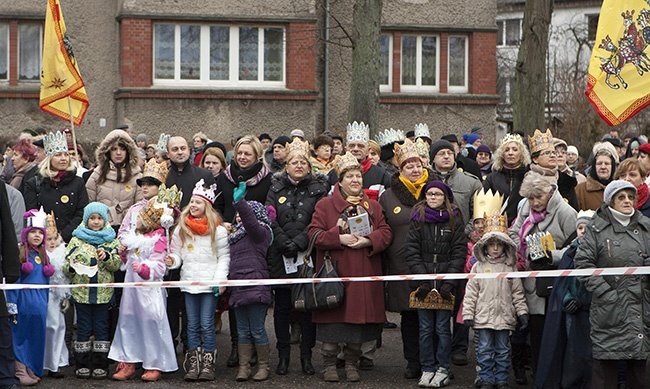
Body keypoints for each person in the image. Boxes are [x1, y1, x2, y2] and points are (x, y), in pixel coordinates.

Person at [308, 152, 392, 383]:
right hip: (336, 272)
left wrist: (369, 240)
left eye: (358, 176)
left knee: (358, 323)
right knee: (332, 322)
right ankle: (328, 365)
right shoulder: (325, 205)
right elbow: (314, 234)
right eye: (350, 177)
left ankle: (353, 363)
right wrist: (338, 237)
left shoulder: (373, 206)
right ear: (340, 180)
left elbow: (386, 233)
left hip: (364, 270)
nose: (355, 180)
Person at [574, 180, 650, 388]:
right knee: (606, 371)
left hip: (641, 307)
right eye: (621, 197)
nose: (627, 201)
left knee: (640, 371)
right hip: (609, 310)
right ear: (610, 201)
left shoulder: (646, 226)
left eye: (630, 197)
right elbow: (583, 265)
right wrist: (607, 295)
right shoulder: (596, 229)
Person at [265, 138, 329, 376]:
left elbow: (319, 219)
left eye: (303, 162)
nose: (299, 165)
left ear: (309, 166)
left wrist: (302, 241)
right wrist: (283, 242)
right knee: (281, 307)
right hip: (280, 255)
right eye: (294, 162)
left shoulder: (318, 189)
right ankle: (283, 355)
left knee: (306, 308)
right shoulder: (275, 188)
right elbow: (269, 217)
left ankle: (306, 355)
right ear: (287, 166)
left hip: (307, 254)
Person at [508, 171, 577, 383]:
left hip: (556, 282)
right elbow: (513, 232)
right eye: (530, 198)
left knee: (555, 337)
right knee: (536, 334)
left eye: (539, 197)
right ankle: (538, 377)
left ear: (549, 192)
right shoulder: (526, 209)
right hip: (531, 280)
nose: (535, 202)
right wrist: (527, 251)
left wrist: (550, 256)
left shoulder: (566, 212)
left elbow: (576, 247)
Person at [110, 187, 180, 382]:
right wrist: (124, 255)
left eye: (141, 217)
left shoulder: (159, 239)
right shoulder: (136, 238)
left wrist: (144, 268)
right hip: (132, 289)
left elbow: (159, 266)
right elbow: (126, 263)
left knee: (151, 323)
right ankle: (128, 361)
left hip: (149, 290)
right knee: (128, 322)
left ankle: (153, 362)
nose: (137, 219)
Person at [215, 134, 271, 368]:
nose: (242, 157)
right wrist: (221, 222)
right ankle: (238, 347)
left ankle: (257, 352)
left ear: (257, 155)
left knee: (252, 298)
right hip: (230, 238)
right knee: (234, 298)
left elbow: (270, 208)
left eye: (247, 153)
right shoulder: (224, 178)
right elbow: (217, 205)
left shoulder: (267, 180)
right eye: (239, 153)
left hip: (255, 240)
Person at [165, 180, 230, 381]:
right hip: (189, 283)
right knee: (191, 324)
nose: (193, 205)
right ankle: (194, 363)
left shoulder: (218, 231)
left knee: (207, 324)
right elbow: (177, 255)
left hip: (209, 285)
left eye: (198, 203)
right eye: (191, 202)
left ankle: (208, 363)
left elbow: (223, 257)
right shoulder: (181, 229)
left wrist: (219, 280)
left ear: (207, 207)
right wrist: (171, 261)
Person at [405, 180, 467, 388]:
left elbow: (459, 252)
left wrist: (449, 282)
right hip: (423, 283)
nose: (433, 197)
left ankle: (443, 368)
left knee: (442, 328)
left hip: (445, 284)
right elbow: (411, 251)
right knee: (424, 329)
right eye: (429, 194)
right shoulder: (417, 218)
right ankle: (427, 367)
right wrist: (422, 280)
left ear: (445, 198)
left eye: (437, 194)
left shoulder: (454, 220)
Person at [378, 138, 429, 380]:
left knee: (432, 315)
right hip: (401, 264)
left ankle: (433, 361)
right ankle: (413, 361)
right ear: (400, 170)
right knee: (409, 316)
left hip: (431, 263)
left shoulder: (435, 190)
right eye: (409, 166)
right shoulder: (388, 197)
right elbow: (383, 227)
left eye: (418, 165)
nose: (415, 169)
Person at [463, 211, 528, 389]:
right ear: (485, 246)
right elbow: (471, 293)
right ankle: (486, 378)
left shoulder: (510, 267)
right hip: (483, 317)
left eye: (499, 244)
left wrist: (522, 312)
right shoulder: (478, 267)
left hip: (504, 317)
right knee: (483, 350)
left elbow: (517, 293)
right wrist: (468, 314)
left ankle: (501, 379)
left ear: (505, 247)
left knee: (503, 350)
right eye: (491, 244)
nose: (495, 248)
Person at [535, 209, 594, 389]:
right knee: (570, 351)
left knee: (587, 353)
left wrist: (583, 299)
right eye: (580, 227)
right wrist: (567, 298)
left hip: (589, 311)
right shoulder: (570, 252)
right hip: (570, 311)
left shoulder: (599, 252)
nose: (583, 231)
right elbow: (562, 281)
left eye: (588, 228)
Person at [63, 202, 121, 379]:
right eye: (92, 218)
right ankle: (82, 363)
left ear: (105, 220)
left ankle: (100, 364)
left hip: (103, 294)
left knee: (101, 328)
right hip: (82, 294)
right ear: (85, 220)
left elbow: (117, 264)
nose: (96, 222)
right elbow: (65, 265)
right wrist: (72, 266)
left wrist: (107, 257)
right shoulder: (76, 239)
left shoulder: (111, 239)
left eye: (99, 219)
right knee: (83, 328)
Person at [228, 188, 275, 382]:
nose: (239, 218)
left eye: (243, 214)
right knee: (242, 331)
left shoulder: (261, 232)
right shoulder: (234, 236)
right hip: (238, 285)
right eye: (237, 215)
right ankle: (244, 367)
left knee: (257, 329)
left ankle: (263, 366)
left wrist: (241, 203)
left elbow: (250, 222)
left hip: (256, 285)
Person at [5, 209, 54, 385]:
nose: (37, 236)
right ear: (26, 233)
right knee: (20, 335)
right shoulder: (21, 255)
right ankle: (20, 368)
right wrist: (12, 303)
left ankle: (32, 366)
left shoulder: (43, 256)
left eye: (40, 233)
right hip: (24, 302)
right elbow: (13, 281)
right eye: (33, 232)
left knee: (36, 335)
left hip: (39, 303)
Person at [23, 131, 89, 243]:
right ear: (49, 158)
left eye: (66, 154)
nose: (63, 158)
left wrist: (64, 235)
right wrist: (48, 237)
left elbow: (81, 212)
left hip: (72, 240)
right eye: (58, 155)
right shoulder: (34, 183)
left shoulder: (78, 182)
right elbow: (32, 213)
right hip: (43, 241)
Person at [86, 129, 143, 232]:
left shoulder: (137, 176)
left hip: (128, 229)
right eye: (114, 149)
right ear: (107, 152)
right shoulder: (97, 175)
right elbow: (89, 205)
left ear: (129, 151)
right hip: (101, 229)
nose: (118, 153)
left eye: (122, 149)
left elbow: (140, 206)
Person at [43, 212, 70, 379]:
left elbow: (66, 276)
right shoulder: (41, 255)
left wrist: (66, 295)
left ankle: (56, 363)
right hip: (44, 295)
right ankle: (45, 362)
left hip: (57, 296)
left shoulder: (63, 253)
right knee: (48, 327)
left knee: (59, 326)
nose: (52, 242)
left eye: (54, 238)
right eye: (48, 239)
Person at [482, 134, 530, 225]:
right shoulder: (492, 178)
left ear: (521, 153)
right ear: (502, 154)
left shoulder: (528, 176)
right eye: (506, 150)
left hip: (523, 226)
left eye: (515, 150)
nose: (510, 153)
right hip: (498, 226)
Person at [527, 129, 579, 211]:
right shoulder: (525, 180)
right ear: (535, 159)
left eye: (554, 153)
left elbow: (574, 211)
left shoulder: (566, 182)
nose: (553, 156)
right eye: (547, 153)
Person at [575, 146, 616, 211]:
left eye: (607, 163)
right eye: (599, 163)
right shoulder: (580, 190)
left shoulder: (619, 190)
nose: (603, 167)